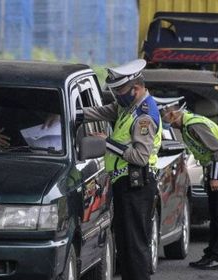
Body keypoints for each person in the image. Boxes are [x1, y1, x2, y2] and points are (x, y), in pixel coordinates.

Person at [81, 59, 162, 280]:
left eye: (119, 91)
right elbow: (103, 111)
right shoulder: (129, 107)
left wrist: (108, 143)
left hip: (137, 186)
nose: (116, 95)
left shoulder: (144, 116)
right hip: (126, 185)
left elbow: (140, 156)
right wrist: (74, 113)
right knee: (125, 245)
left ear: (135, 88)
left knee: (134, 245)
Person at [156, 96, 218, 270]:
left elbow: (217, 151)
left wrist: (216, 177)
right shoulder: (187, 125)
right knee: (215, 215)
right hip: (216, 169)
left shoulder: (193, 125)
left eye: (162, 116)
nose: (162, 121)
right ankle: (211, 254)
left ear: (172, 114)